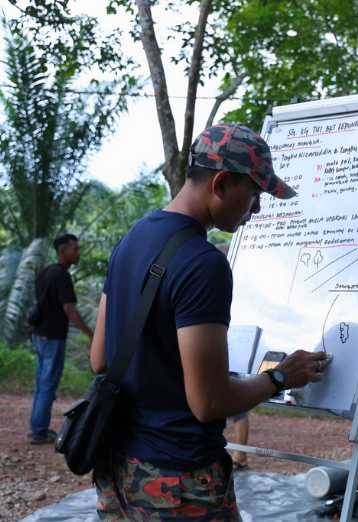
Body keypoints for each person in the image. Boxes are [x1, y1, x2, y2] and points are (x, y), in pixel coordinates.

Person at [88, 123, 331, 519]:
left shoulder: (132, 239)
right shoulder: (203, 264)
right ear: (220, 183)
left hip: (117, 469)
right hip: (178, 481)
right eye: (253, 194)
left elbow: (99, 358)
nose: (256, 209)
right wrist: (281, 377)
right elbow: (209, 403)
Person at [28, 234, 94, 445]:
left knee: (41, 383)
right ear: (63, 251)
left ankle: (37, 427)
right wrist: (91, 333)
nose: (78, 253)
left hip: (38, 334)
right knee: (48, 384)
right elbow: (69, 309)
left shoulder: (45, 272)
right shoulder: (62, 276)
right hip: (53, 337)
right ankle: (38, 431)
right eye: (75, 249)